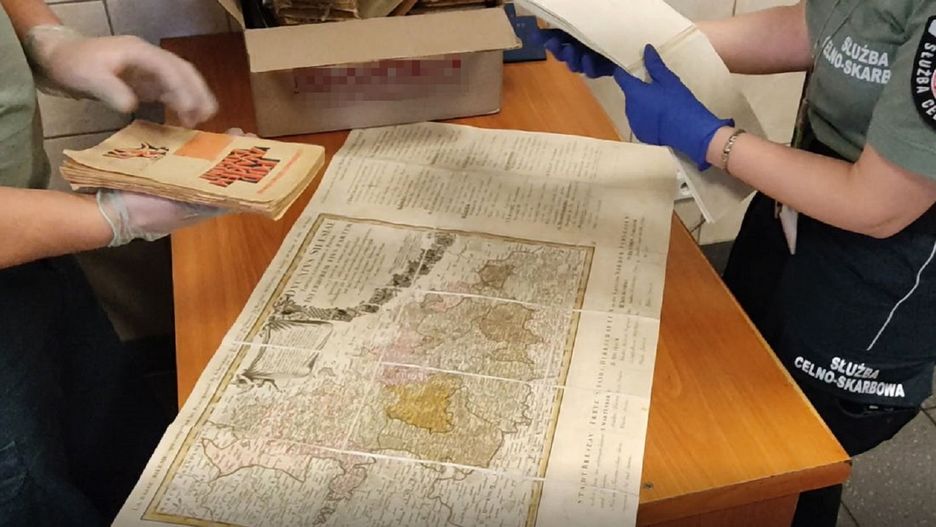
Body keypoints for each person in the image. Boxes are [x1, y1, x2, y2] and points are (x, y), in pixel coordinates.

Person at [538, 1, 936, 525]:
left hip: (879, 276)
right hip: (797, 209)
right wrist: (648, 45)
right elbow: (819, 29)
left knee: (795, 452)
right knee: (737, 381)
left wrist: (712, 140)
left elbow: (878, 206)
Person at [0, 0, 223, 524]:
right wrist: (114, 216)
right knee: (30, 493)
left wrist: (48, 41)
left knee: (122, 451)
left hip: (34, 244)